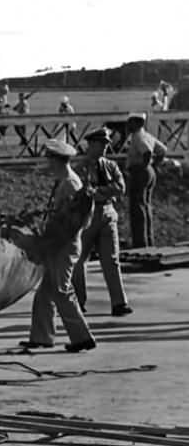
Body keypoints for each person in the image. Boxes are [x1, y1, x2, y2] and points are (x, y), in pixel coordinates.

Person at [11, 139, 96, 353]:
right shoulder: (64, 181)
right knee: (45, 293)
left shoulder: (71, 184)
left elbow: (77, 219)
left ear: (57, 160)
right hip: (58, 243)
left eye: (50, 159)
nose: (48, 164)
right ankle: (42, 337)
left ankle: (83, 338)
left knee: (61, 290)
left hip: (64, 244)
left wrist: (53, 238)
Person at [70, 127, 130, 317]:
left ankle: (119, 302)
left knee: (111, 260)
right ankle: (78, 301)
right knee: (79, 261)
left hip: (107, 212)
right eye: (101, 144)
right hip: (87, 215)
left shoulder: (110, 166)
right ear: (92, 144)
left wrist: (99, 191)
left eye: (106, 144)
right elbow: (82, 192)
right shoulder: (80, 168)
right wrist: (101, 191)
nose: (105, 147)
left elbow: (120, 187)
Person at [124, 112, 169, 249]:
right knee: (145, 205)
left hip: (140, 171)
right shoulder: (147, 135)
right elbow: (162, 150)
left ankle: (141, 243)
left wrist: (143, 166)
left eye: (130, 122)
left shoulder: (138, 136)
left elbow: (147, 151)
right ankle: (149, 240)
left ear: (137, 123)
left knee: (137, 207)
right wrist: (153, 165)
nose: (128, 125)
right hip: (148, 171)